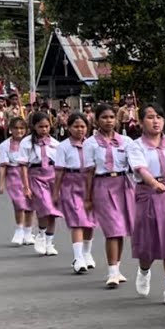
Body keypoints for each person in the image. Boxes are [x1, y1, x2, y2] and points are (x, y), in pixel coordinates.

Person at [127, 103, 165, 307]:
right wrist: (154, 183)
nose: (156, 121)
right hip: (148, 193)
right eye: (150, 117)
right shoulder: (136, 146)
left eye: (159, 117)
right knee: (148, 243)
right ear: (141, 121)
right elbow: (140, 168)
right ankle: (144, 270)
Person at [86, 103, 134, 287]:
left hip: (122, 184)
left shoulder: (125, 141)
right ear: (97, 120)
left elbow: (135, 164)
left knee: (120, 229)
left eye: (111, 117)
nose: (108, 121)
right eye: (104, 117)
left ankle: (118, 269)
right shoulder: (90, 143)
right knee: (112, 229)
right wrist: (88, 197)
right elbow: (89, 172)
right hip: (102, 185)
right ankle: (112, 271)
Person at [53, 112, 98, 273]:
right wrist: (55, 192)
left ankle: (87, 253)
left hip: (90, 182)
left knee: (90, 221)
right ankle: (78, 257)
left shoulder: (93, 144)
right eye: (76, 126)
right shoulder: (63, 146)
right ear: (69, 128)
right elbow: (59, 171)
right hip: (71, 183)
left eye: (83, 126)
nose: (80, 130)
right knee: (77, 220)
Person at [21, 111, 64, 257]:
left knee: (53, 212)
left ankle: (49, 242)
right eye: (40, 127)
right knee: (45, 207)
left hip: (52, 176)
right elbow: (23, 166)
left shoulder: (55, 144)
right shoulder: (27, 143)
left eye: (46, 126)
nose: (44, 129)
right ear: (34, 126)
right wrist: (26, 187)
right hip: (36, 176)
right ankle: (41, 233)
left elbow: (60, 165)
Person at [0, 116, 36, 246]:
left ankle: (28, 232)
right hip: (14, 174)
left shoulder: (31, 143)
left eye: (22, 128)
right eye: (16, 128)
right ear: (10, 130)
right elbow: (3, 166)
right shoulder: (4, 145)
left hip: (30, 174)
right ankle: (19, 229)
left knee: (30, 204)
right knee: (19, 203)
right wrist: (1, 184)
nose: (19, 131)